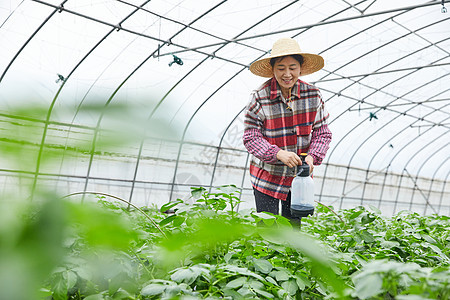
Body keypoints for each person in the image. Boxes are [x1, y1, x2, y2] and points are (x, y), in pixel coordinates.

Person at [243, 37, 332, 221]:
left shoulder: (313, 95)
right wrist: (277, 153)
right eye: (281, 68)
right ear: (273, 70)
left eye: (292, 68)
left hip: (299, 180)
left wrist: (312, 156)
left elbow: (322, 132)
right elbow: (251, 136)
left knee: (293, 231)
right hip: (267, 177)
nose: (287, 74)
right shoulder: (260, 97)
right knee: (267, 231)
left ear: (300, 68)